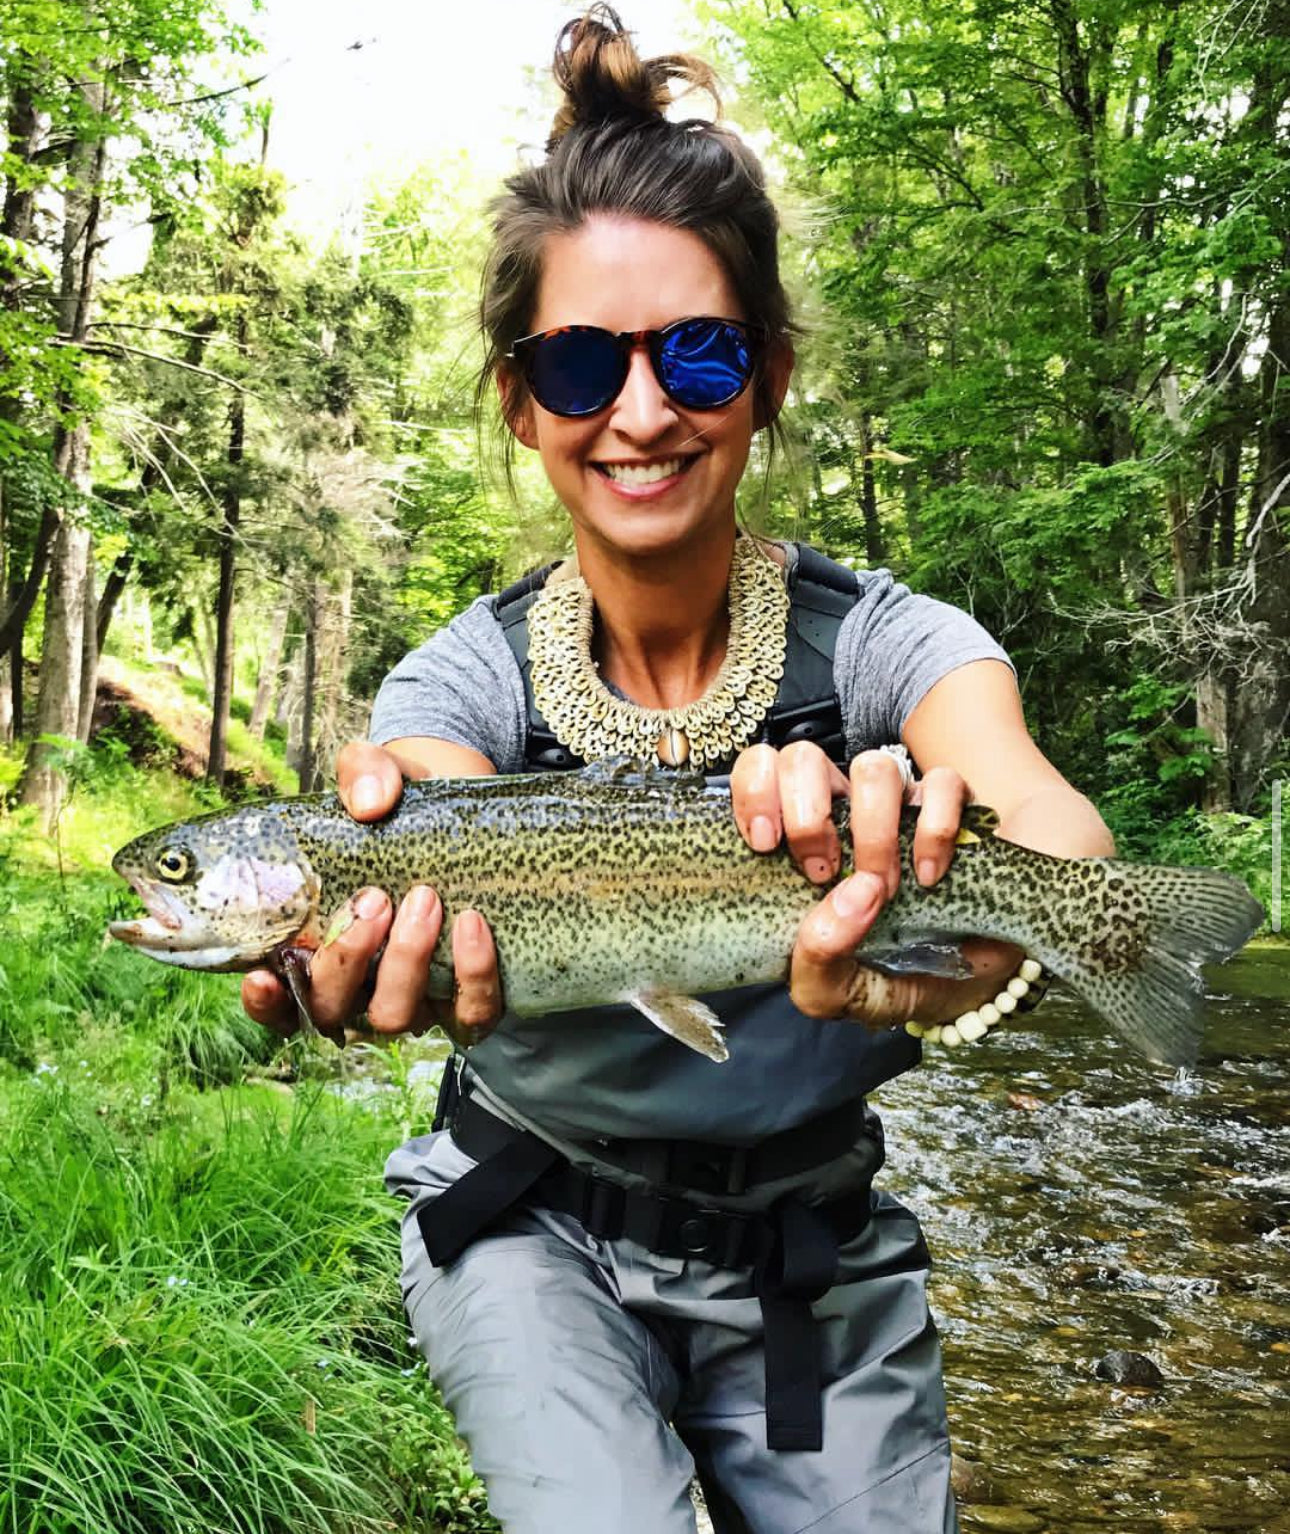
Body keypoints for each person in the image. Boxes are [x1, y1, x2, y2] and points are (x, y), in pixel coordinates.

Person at [243, 9, 1115, 1531]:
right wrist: (389, 924)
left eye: (696, 353)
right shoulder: (462, 674)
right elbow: (420, 798)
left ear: (765, 377)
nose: (639, 412)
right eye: (579, 365)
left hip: (810, 1254)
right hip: (526, 1224)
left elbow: (1051, 829)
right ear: (521, 402)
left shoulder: (892, 646)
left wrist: (955, 953)